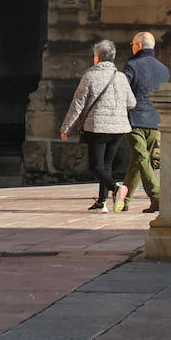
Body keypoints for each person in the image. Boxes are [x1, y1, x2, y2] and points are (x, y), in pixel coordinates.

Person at [59, 39, 135, 212]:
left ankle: (116, 189)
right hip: (118, 128)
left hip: (97, 127)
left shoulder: (90, 76)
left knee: (95, 166)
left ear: (97, 58)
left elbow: (77, 105)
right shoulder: (121, 77)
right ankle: (102, 202)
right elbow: (132, 102)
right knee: (106, 165)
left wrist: (66, 128)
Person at [119, 32, 170, 213]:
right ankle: (123, 201)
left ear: (139, 46)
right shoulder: (164, 69)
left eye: (132, 44)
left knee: (140, 159)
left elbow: (122, 90)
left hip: (134, 119)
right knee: (139, 160)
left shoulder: (132, 65)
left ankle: (157, 197)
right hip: (154, 121)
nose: (131, 47)